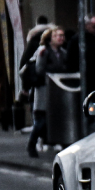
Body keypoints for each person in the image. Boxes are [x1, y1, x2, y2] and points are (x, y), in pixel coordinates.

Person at [27, 26, 69, 157]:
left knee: (58, 118)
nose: (61, 38)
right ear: (50, 39)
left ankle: (62, 144)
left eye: (62, 35)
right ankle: (31, 144)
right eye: (57, 36)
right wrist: (54, 73)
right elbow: (40, 69)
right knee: (42, 120)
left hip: (57, 91)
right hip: (45, 90)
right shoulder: (44, 51)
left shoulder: (63, 53)